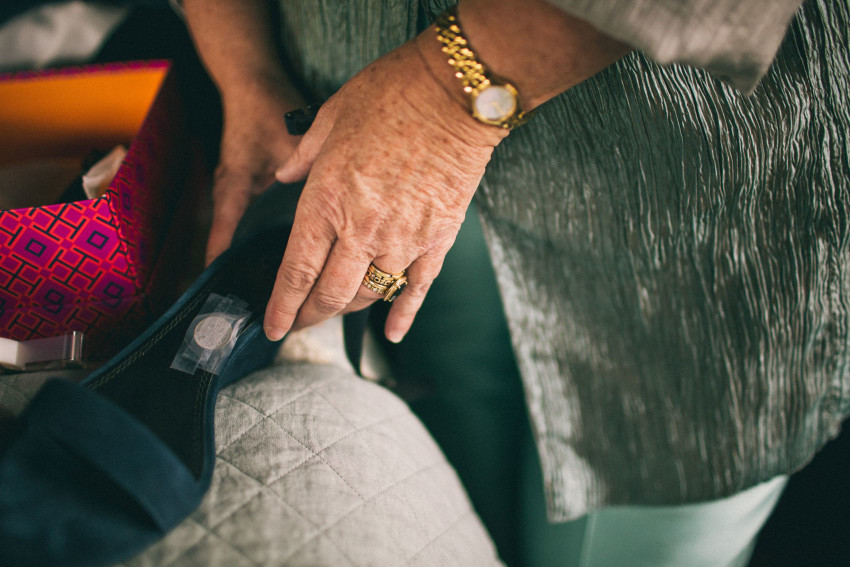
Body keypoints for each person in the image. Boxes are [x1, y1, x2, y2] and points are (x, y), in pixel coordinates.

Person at [181, 0, 850, 565]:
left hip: (687, 204)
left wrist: (448, 94)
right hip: (358, 149)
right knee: (449, 484)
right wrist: (247, 74)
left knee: (650, 508)